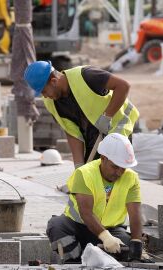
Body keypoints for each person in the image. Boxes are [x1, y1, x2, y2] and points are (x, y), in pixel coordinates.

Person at [46, 133, 143, 262]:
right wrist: (105, 237)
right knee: (56, 226)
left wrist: (136, 243)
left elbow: (135, 214)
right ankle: (74, 261)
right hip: (79, 227)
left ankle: (101, 257)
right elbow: (86, 213)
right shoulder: (84, 174)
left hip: (112, 230)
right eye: (115, 167)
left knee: (125, 247)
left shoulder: (131, 178)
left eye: (123, 168)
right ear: (103, 158)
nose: (119, 173)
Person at [24, 61, 139, 168]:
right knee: (91, 177)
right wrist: (79, 166)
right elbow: (72, 133)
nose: (44, 96)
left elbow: (123, 86)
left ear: (54, 81)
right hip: (93, 138)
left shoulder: (86, 76)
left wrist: (107, 116)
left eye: (44, 91)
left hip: (117, 129)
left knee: (112, 174)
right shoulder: (51, 102)